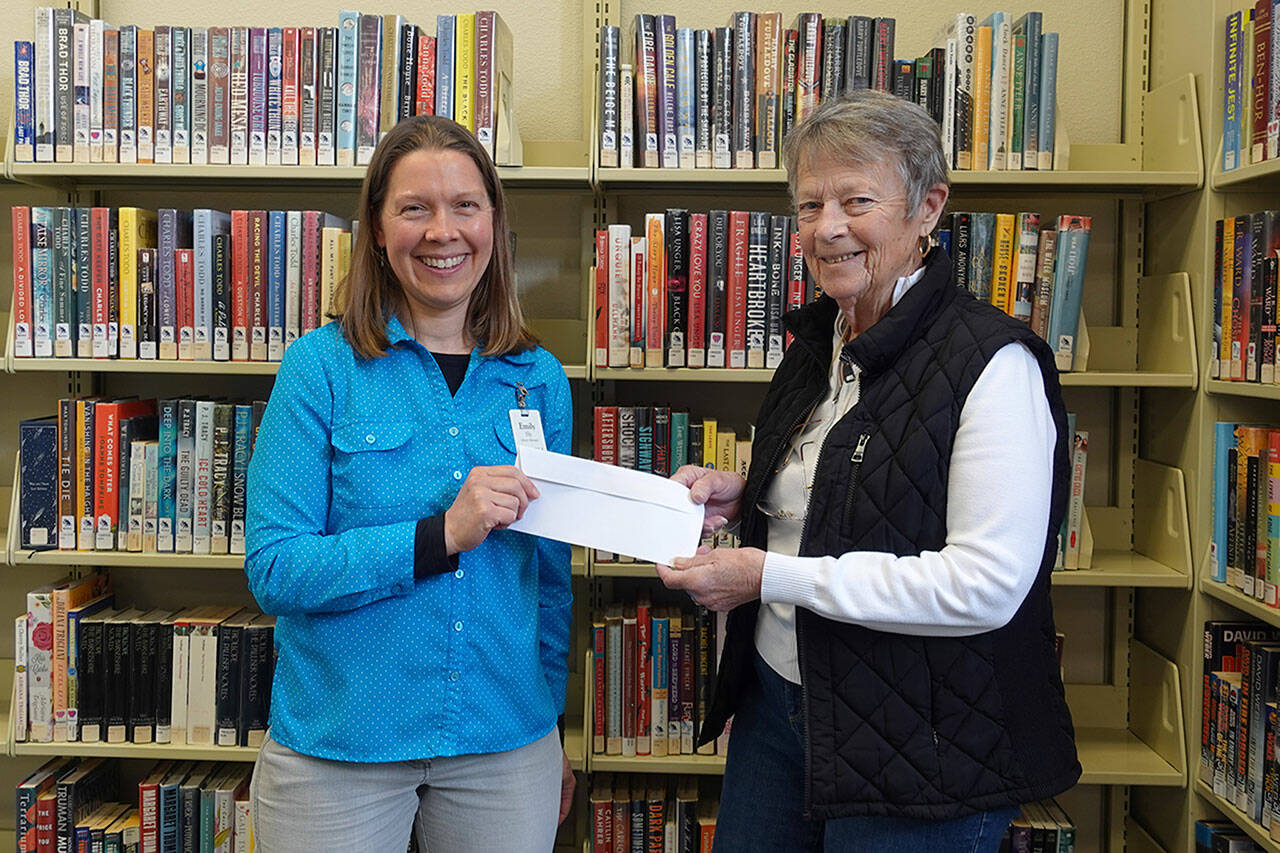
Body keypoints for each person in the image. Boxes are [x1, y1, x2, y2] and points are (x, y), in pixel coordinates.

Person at [657, 91, 1080, 852]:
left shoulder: (992, 362)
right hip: (781, 710)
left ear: (928, 208)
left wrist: (766, 575)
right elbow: (852, 480)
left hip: (925, 747)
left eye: (857, 200)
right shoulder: (820, 341)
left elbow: (983, 584)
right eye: (810, 203)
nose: (828, 227)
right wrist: (745, 493)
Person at [245, 115, 574, 852]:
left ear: (493, 220)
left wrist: (551, 726)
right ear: (377, 226)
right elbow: (275, 569)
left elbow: (550, 583)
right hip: (342, 744)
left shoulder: (539, 380)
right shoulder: (319, 370)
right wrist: (438, 536)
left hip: (505, 742)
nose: (442, 231)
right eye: (414, 207)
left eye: (465, 205)